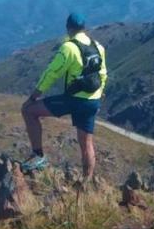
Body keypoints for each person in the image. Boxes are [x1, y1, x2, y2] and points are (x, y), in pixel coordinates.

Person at [20, 12, 107, 182]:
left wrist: (34, 96)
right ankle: (86, 182)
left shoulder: (69, 47)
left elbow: (52, 73)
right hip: (92, 101)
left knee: (29, 111)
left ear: (69, 28)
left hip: (74, 100)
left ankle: (38, 156)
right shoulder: (98, 46)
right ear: (84, 27)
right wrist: (99, 94)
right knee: (86, 144)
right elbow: (103, 74)